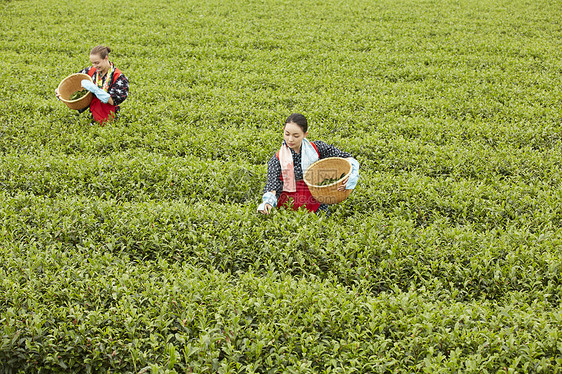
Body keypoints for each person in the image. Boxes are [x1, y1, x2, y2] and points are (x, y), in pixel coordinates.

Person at [258, 113, 359, 215]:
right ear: (284, 130)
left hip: (316, 199)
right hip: (289, 203)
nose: (290, 139)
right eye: (287, 134)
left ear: (305, 134)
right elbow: (273, 184)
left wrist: (352, 173)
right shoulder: (277, 158)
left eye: (296, 136)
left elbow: (345, 157)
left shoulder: (316, 148)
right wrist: (268, 202)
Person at [56, 45, 129, 125]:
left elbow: (113, 101)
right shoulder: (90, 71)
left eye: (97, 63)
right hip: (92, 115)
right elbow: (73, 82)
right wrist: (60, 91)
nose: (95, 66)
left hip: (110, 118)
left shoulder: (119, 77)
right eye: (93, 63)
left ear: (106, 58)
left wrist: (95, 90)